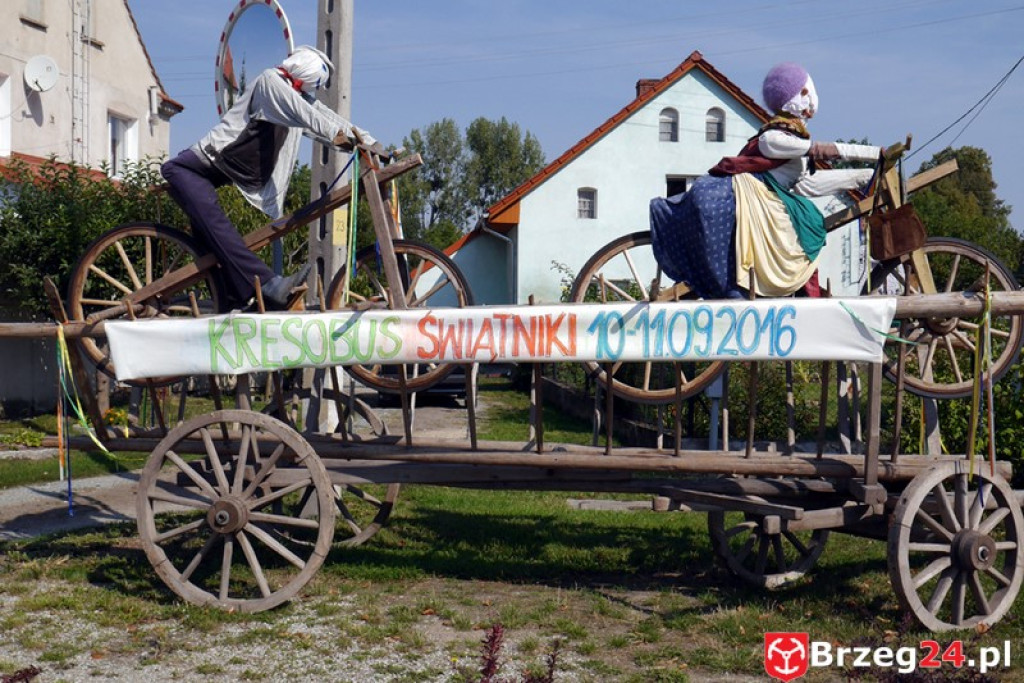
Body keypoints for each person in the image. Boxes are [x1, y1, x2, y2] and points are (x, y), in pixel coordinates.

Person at [162, 45, 382, 311]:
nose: (305, 93)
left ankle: (234, 298)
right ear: (301, 77)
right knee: (218, 227)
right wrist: (351, 141)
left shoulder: (289, 93)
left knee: (211, 242)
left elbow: (325, 116)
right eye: (307, 86)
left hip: (218, 169)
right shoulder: (271, 82)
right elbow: (310, 117)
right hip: (191, 168)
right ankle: (267, 283)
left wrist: (371, 143)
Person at [650, 62, 887, 299]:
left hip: (768, 197)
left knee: (807, 217)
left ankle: (799, 288)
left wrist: (862, 176)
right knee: (807, 221)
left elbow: (806, 184)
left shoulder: (790, 136)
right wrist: (874, 153)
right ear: (802, 96)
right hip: (753, 199)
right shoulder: (774, 138)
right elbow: (820, 150)